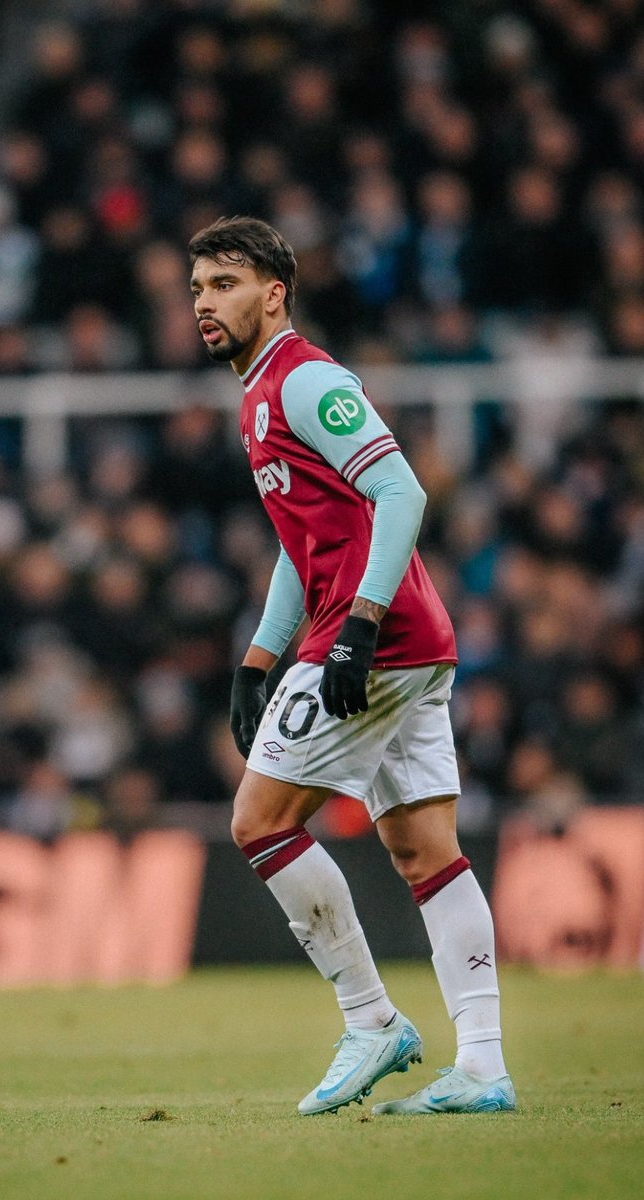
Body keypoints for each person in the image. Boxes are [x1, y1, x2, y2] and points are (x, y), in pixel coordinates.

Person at [188, 215, 515, 1116]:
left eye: (223, 284)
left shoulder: (306, 380)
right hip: (406, 640)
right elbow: (304, 543)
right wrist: (256, 660)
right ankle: (482, 1067)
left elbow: (400, 489)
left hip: (375, 636)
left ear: (273, 294)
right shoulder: (258, 394)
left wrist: (359, 626)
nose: (204, 303)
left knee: (259, 823)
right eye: (197, 289)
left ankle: (370, 1019)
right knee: (425, 852)